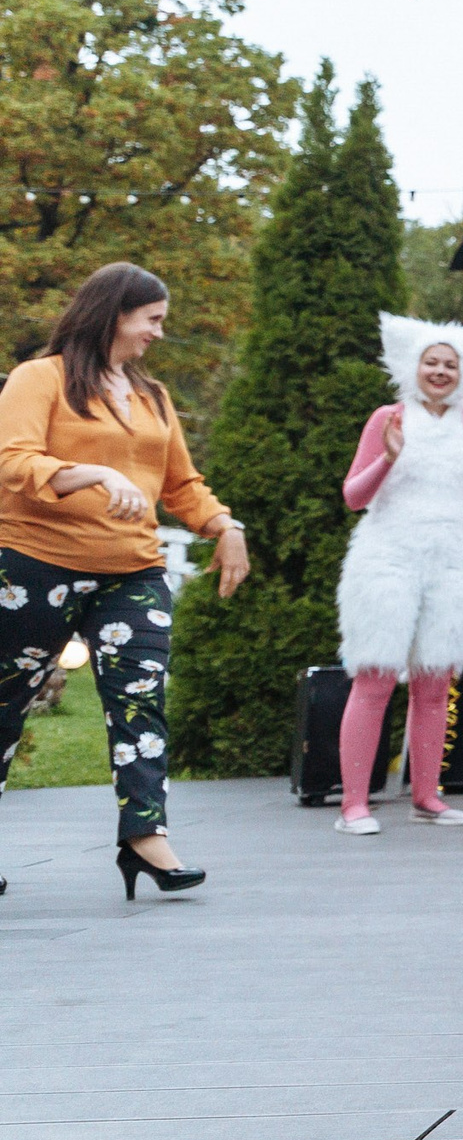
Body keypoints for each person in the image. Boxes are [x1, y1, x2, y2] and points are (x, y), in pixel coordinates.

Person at [0, 262, 250, 899]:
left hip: (132, 572)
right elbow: (13, 459)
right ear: (115, 313)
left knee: (141, 703)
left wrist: (225, 526)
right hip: (34, 564)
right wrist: (94, 474)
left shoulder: (152, 397)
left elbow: (180, 485)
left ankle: (146, 838)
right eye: (153, 320)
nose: (159, 334)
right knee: (5, 706)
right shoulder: (40, 378)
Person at [333, 314, 463, 834]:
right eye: (432, 361)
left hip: (452, 557)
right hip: (388, 554)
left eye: (450, 364)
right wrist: (388, 458)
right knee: (376, 676)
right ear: (415, 365)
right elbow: (353, 497)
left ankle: (427, 796)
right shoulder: (389, 417)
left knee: (435, 680)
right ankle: (354, 806)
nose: (440, 370)